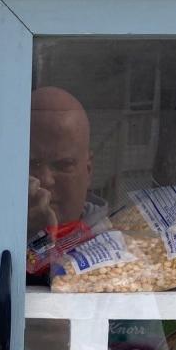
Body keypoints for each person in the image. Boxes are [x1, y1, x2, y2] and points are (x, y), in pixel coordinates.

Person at [26, 86, 110, 281]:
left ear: (88, 171)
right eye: (32, 163)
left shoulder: (115, 247)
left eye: (63, 165)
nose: (46, 179)